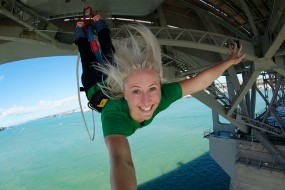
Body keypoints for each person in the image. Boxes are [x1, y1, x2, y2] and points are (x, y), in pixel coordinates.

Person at [75, 15, 245, 190]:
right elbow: (120, 160)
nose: (146, 100)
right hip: (96, 84)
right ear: (123, 92)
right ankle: (85, 28)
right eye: (136, 91)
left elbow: (199, 82)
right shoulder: (113, 117)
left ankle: (90, 26)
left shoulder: (162, 95)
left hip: (95, 83)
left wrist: (228, 62)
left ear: (159, 86)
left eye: (152, 88)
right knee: (93, 56)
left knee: (101, 53)